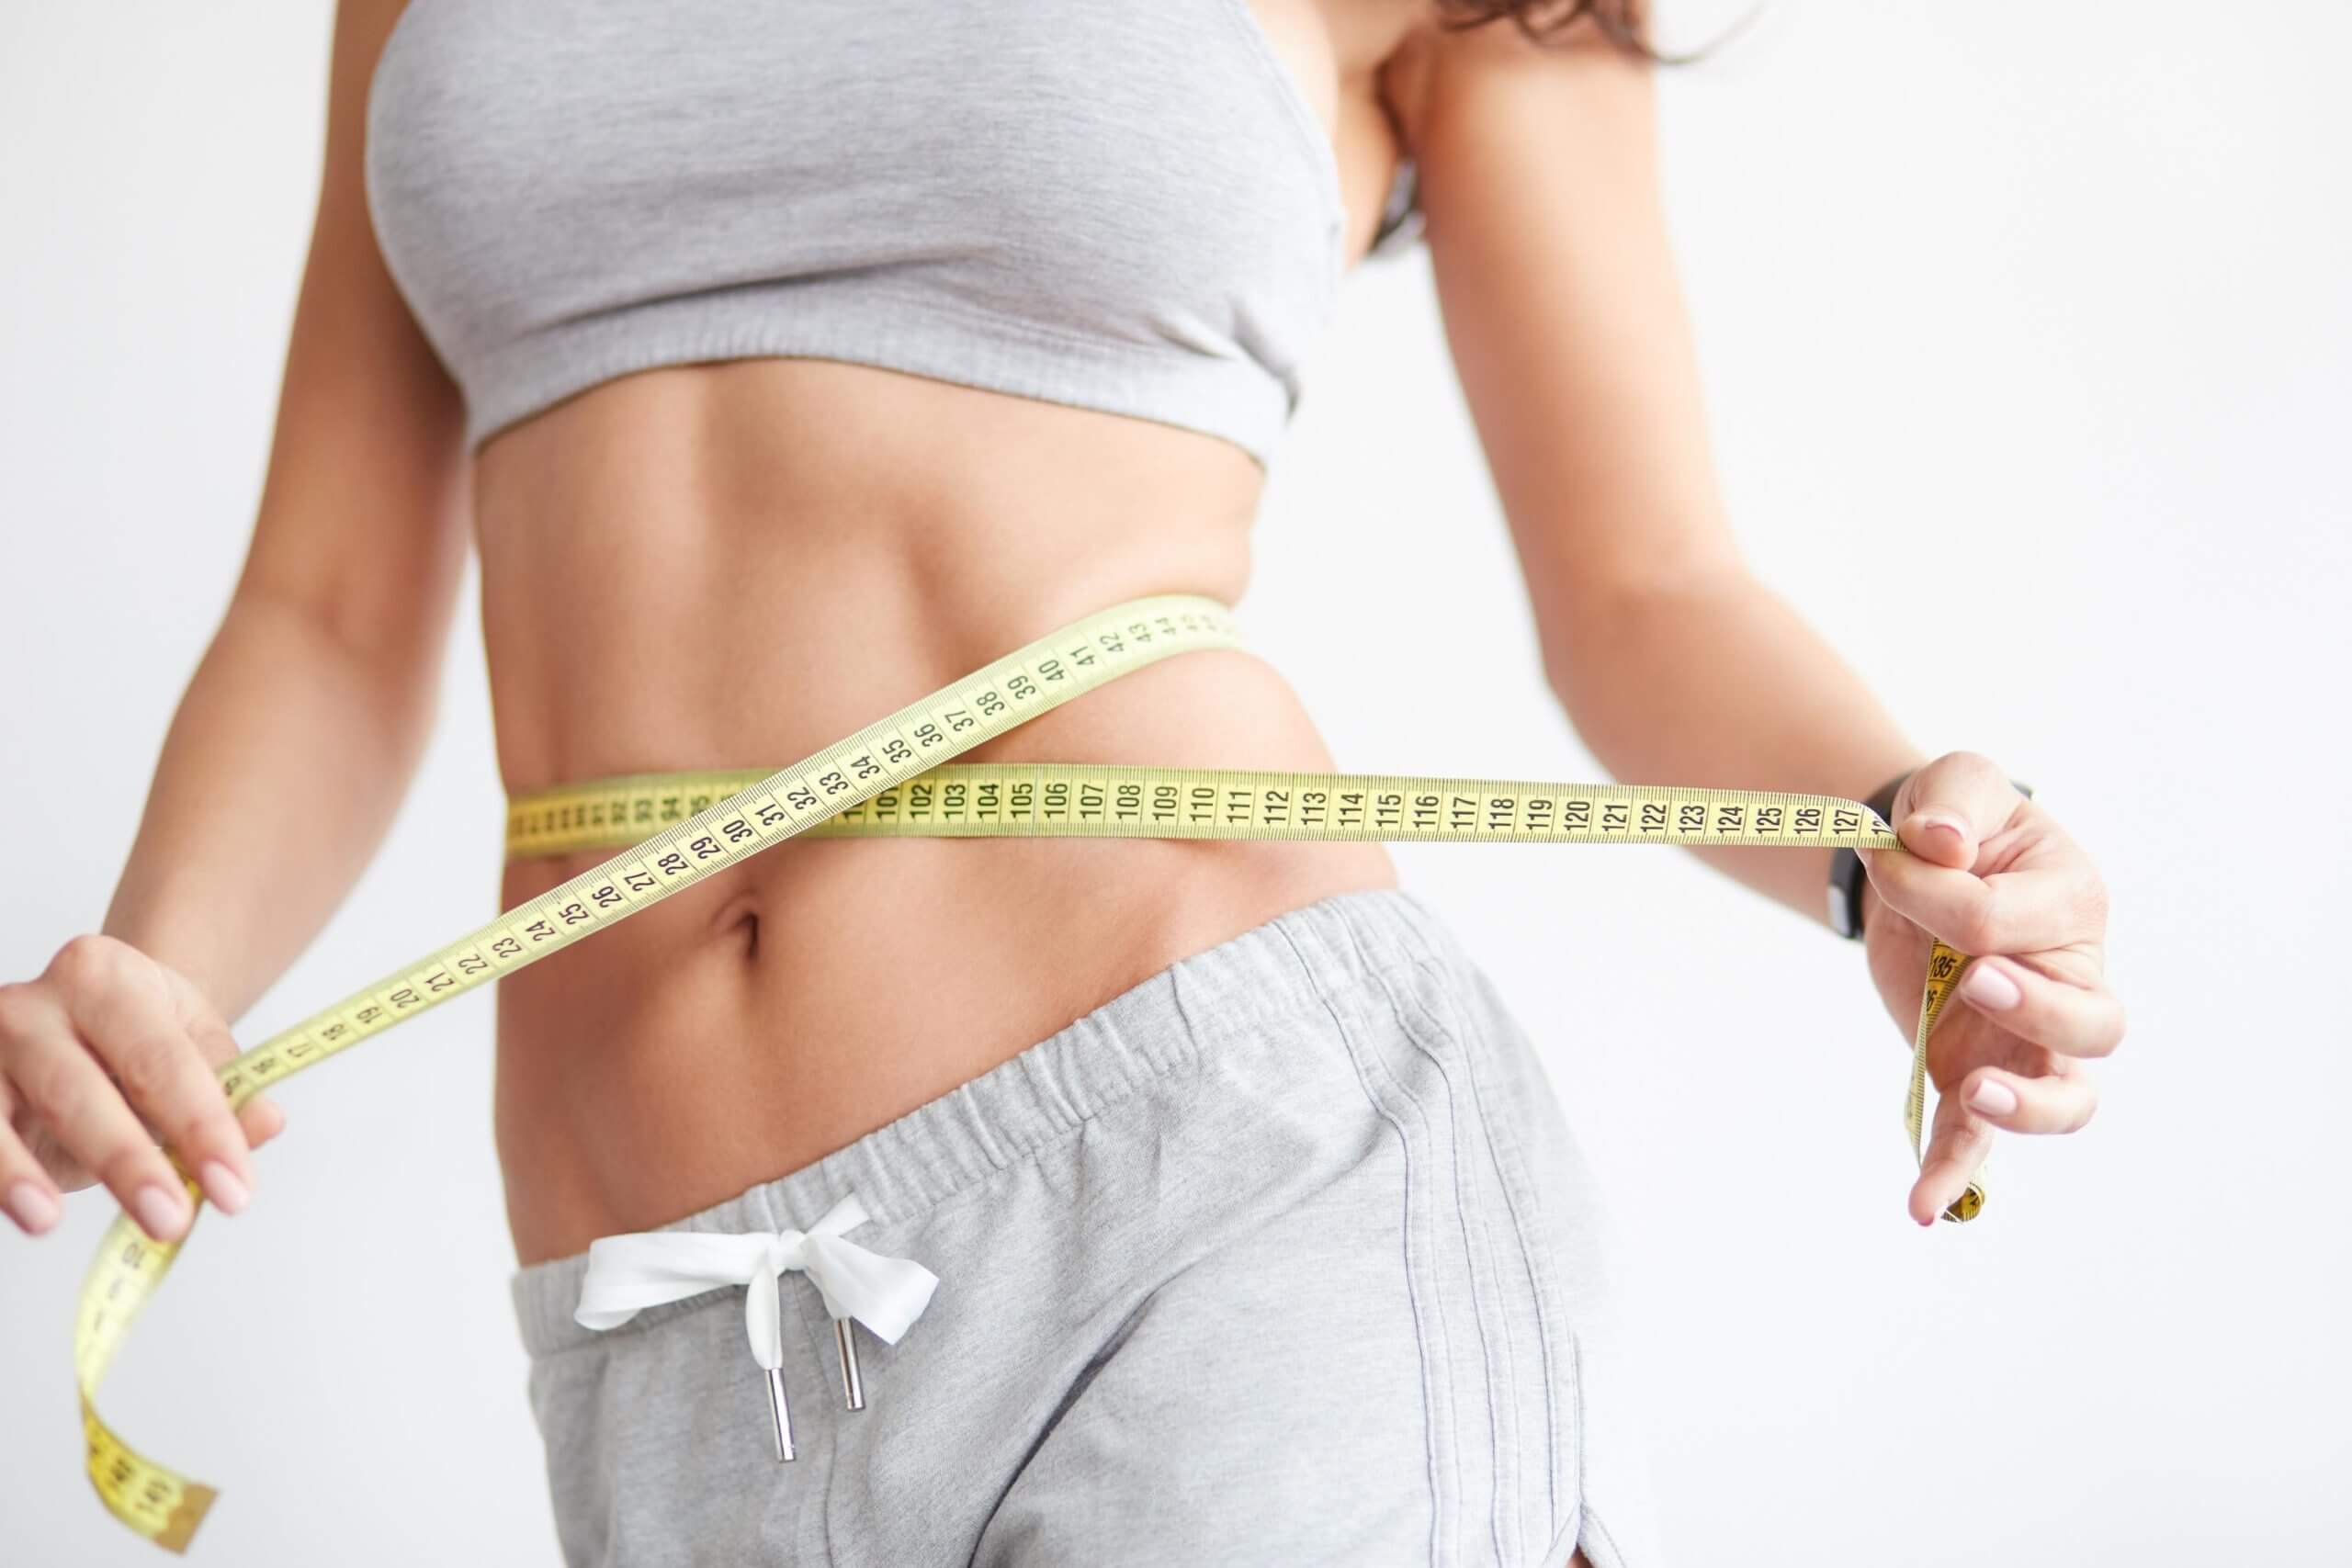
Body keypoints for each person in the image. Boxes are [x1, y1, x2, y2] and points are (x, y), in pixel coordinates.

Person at [0, 1, 2126, 1563]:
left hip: (1224, 1190)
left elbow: (1647, 584)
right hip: (667, 1321)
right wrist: (156, 972)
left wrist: (1890, 834)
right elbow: (331, 604)